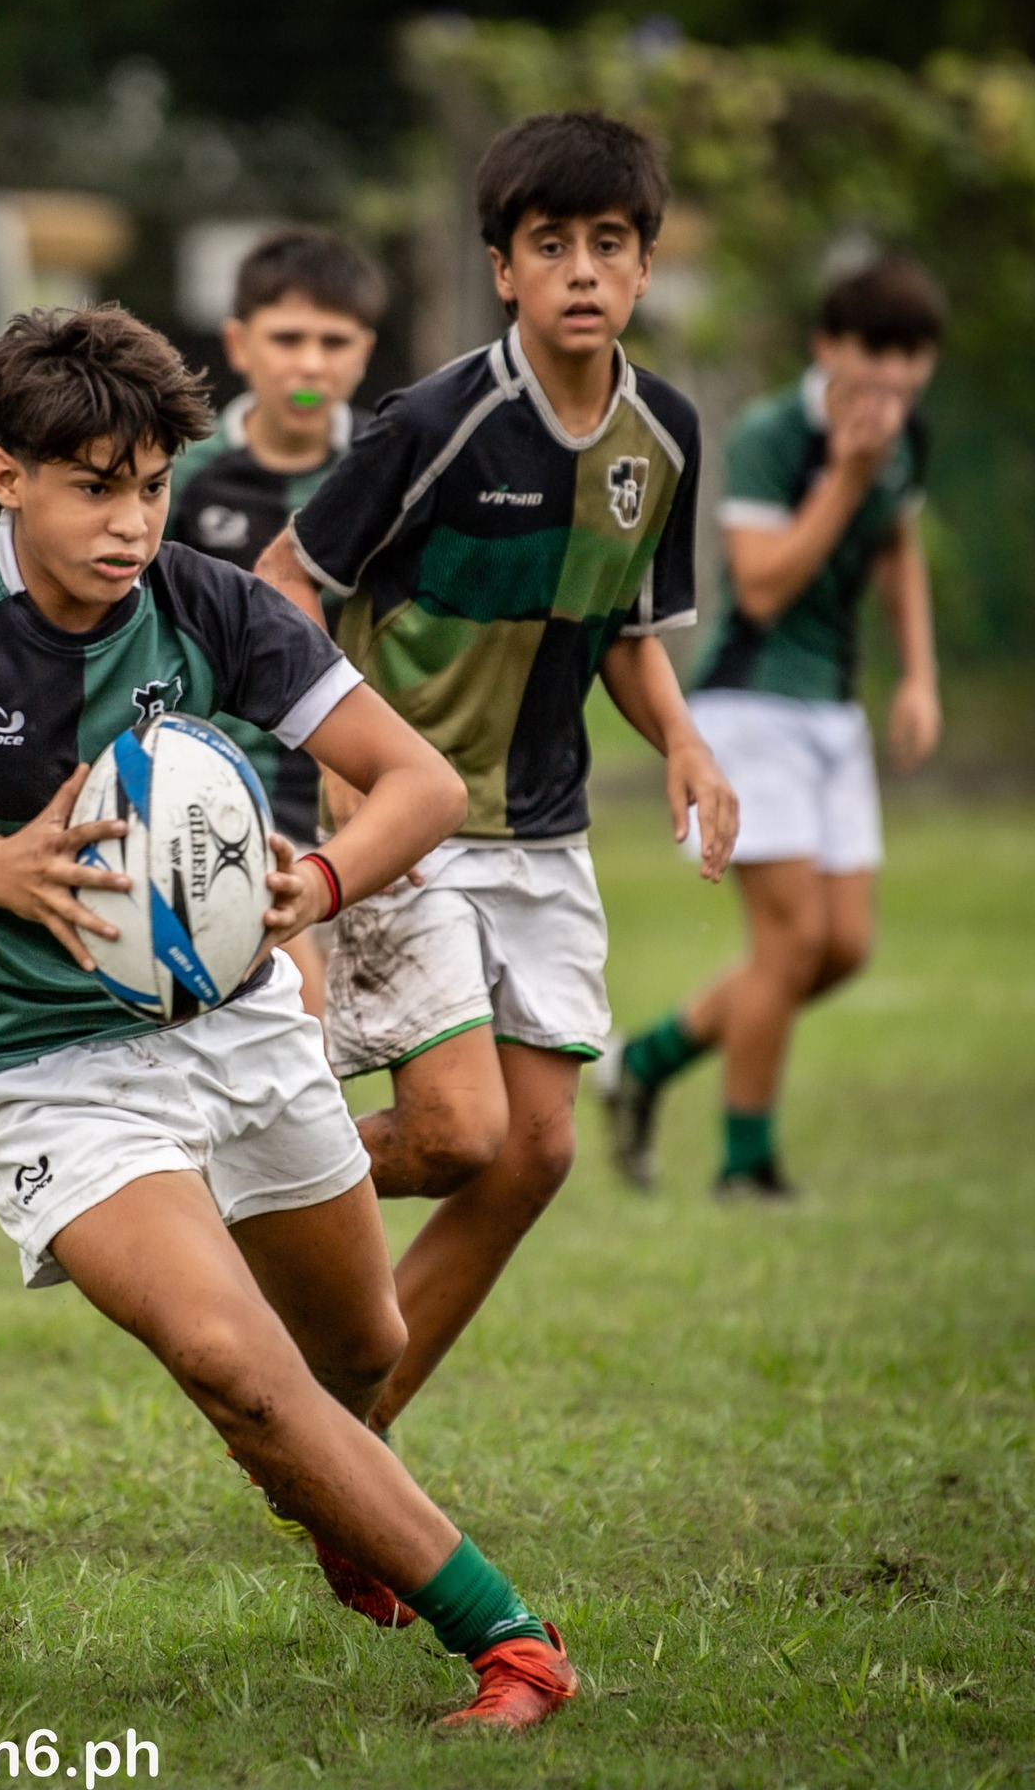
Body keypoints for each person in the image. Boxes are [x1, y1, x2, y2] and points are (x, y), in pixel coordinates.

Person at [0, 302, 581, 1732]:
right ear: (4, 476)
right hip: (49, 1074)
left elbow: (421, 785)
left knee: (361, 1354)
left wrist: (315, 884)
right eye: (95, 486)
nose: (133, 521)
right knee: (232, 1366)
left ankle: (343, 1502)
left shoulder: (214, 605)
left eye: (151, 486)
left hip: (243, 1029)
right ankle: (513, 1647)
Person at [252, 112, 739, 1438]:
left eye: (610, 243)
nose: (582, 269)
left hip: (543, 828)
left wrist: (686, 742)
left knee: (534, 1154)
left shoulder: (666, 439)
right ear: (502, 270)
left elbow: (624, 632)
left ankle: (357, 1433)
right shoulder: (439, 421)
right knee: (460, 1132)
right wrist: (344, 769)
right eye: (551, 245)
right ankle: (220, 1196)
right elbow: (285, 586)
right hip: (407, 814)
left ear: (643, 269)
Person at [601, 258, 945, 1199]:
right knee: (788, 947)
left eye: (913, 355)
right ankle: (746, 1165)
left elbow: (899, 544)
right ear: (828, 347)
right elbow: (759, 584)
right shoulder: (770, 435)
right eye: (876, 348)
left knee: (842, 949)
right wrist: (845, 478)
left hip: (834, 710)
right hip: (750, 708)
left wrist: (918, 674)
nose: (895, 373)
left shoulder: (906, 433)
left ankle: (648, 1061)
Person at [166, 227, 387, 1014]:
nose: (310, 363)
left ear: (365, 350)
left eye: (334, 341)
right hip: (235, 794)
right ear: (238, 343)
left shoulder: (391, 470)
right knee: (308, 1023)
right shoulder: (182, 477)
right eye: (288, 337)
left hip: (378, 787)